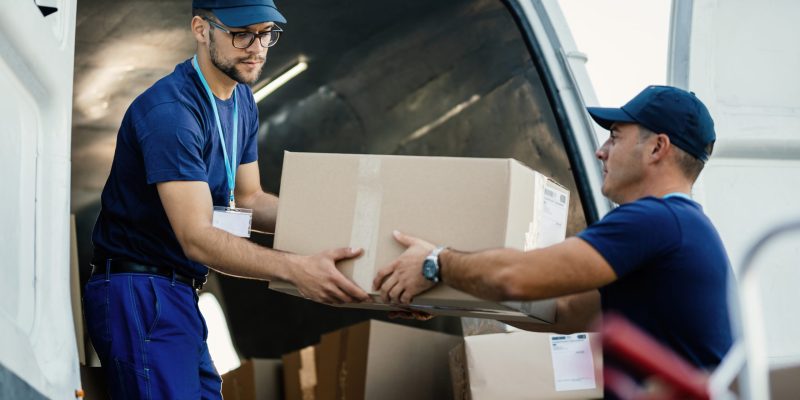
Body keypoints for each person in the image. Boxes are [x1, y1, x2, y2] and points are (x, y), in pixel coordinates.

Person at [83, 1, 369, 398]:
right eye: (241, 33)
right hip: (142, 291)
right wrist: (297, 270)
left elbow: (250, 199)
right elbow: (197, 236)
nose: (258, 47)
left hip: (180, 291)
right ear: (201, 29)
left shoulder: (242, 101)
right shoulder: (171, 112)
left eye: (267, 32)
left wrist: (342, 232)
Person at [373, 85, 734, 370]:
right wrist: (447, 301)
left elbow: (516, 277)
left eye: (615, 136)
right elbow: (560, 312)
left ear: (657, 148)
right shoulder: (682, 227)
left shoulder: (655, 220)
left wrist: (435, 262)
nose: (601, 151)